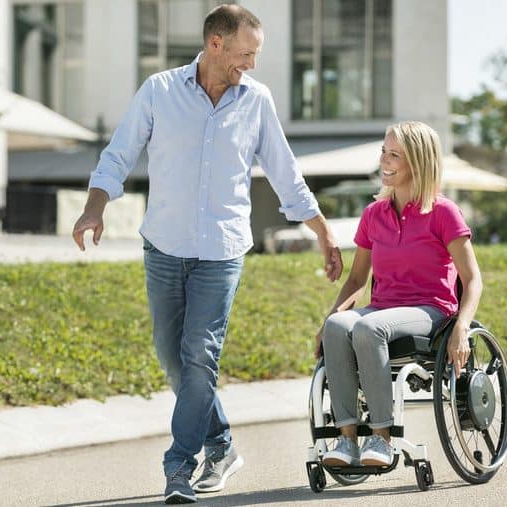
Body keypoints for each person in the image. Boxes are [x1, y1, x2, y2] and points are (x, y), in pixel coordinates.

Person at [71, 5, 343, 504]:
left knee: (201, 354)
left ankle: (179, 465)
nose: (252, 64)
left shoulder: (255, 101)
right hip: (164, 248)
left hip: (222, 252)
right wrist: (94, 208)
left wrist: (324, 234)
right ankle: (221, 445)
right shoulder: (160, 91)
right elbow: (119, 154)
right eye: (246, 53)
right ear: (215, 44)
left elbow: (286, 174)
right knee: (174, 360)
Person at [315, 121, 482, 468]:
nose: (384, 161)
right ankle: (347, 442)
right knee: (337, 325)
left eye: (395, 155)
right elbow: (357, 279)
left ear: (417, 162)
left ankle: (382, 438)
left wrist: (462, 327)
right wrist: (330, 317)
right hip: (383, 309)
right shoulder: (374, 215)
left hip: (430, 311)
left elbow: (473, 279)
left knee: (368, 328)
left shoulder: (442, 212)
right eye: (383, 152)